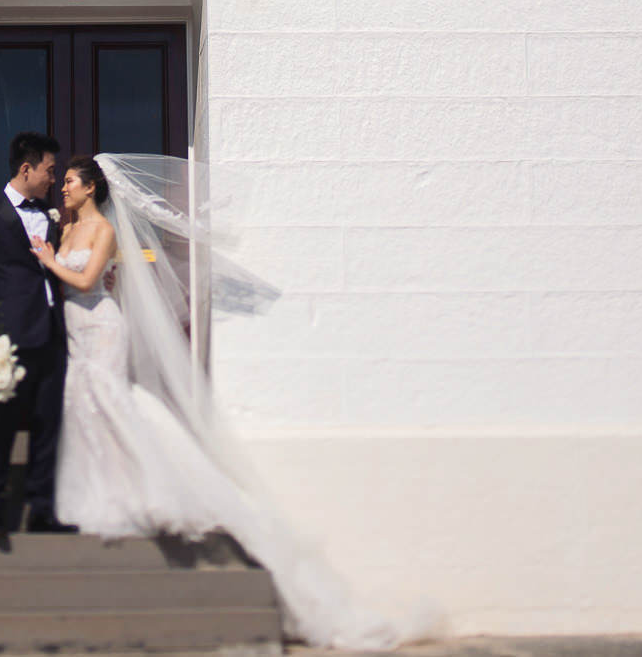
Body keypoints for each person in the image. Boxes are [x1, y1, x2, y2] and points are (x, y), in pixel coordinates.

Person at [32, 153, 407, 649]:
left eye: (72, 182)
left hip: (101, 326)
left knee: (107, 402)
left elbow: (83, 281)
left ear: (92, 189)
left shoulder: (102, 230)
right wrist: (55, 247)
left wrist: (48, 260)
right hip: (75, 329)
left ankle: (139, 489)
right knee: (82, 406)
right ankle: (96, 491)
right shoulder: (69, 226)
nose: (63, 188)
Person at [0, 130, 75, 538]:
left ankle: (43, 511)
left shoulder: (49, 216)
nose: (52, 178)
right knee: (2, 426)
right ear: (26, 168)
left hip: (52, 334)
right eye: (48, 169)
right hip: (9, 337)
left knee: (49, 426)